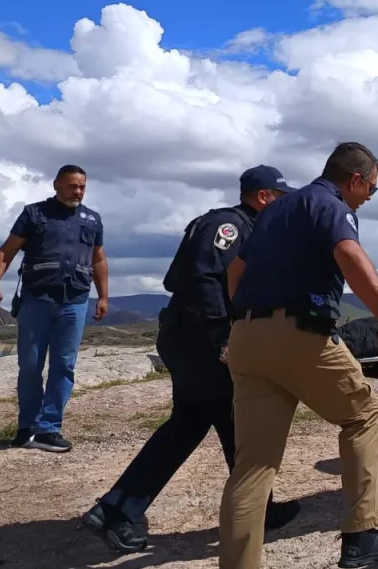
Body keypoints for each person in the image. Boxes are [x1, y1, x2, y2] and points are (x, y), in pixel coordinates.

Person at [82, 166, 302, 553]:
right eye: (281, 198)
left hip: (195, 339)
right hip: (202, 341)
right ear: (264, 197)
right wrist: (223, 339)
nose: (285, 206)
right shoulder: (230, 226)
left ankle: (116, 508)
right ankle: (121, 512)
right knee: (232, 425)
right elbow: (202, 280)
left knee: (204, 425)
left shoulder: (249, 228)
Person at [218, 142, 378, 569]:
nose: (368, 198)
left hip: (246, 339)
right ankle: (364, 533)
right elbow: (348, 253)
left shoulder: (272, 212)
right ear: (355, 179)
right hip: (299, 332)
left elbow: (236, 272)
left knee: (252, 467)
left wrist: (250, 320)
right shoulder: (331, 203)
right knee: (362, 415)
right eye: (371, 190)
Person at [0, 164, 109, 453]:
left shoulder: (92, 220)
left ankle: (49, 429)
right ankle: (27, 426)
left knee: (64, 366)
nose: (77, 191)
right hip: (36, 300)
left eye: (82, 187)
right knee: (30, 366)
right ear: (56, 185)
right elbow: (7, 251)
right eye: (71, 186)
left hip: (75, 301)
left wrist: (103, 296)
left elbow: (98, 260)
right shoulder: (34, 214)